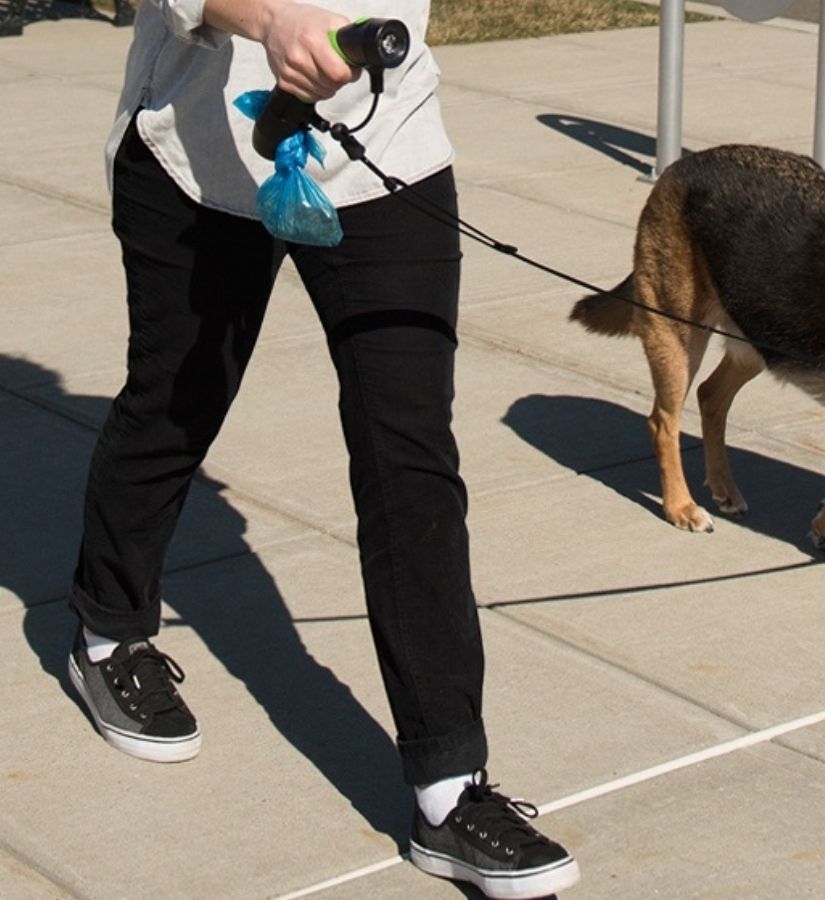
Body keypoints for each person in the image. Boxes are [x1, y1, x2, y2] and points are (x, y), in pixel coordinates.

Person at [65, 1, 580, 897]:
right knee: (176, 404)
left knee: (409, 456)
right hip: (203, 150)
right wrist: (265, 17)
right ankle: (108, 632)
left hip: (388, 146)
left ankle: (447, 791)